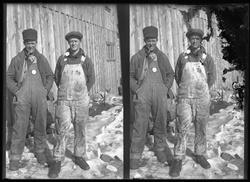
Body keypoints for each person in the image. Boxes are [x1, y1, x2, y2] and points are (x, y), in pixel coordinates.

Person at [169, 28, 216, 177]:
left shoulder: (207, 57)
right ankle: (178, 158)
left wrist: (202, 89)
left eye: (197, 38)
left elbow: (212, 76)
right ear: (189, 40)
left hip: (202, 97)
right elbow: (177, 75)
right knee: (182, 127)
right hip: (184, 98)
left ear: (201, 40)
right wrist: (186, 89)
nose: (194, 41)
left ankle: (200, 154)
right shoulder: (183, 57)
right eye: (192, 39)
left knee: (200, 127)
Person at [48, 31, 95, 178]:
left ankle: (79, 156)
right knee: (61, 129)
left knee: (80, 129)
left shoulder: (85, 60)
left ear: (79, 42)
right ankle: (57, 160)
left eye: (76, 41)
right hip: (64, 101)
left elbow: (91, 79)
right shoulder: (62, 59)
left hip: (81, 100)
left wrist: (81, 92)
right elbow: (57, 77)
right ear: (69, 43)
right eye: (71, 42)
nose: (73, 44)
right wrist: (65, 92)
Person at [6, 28, 54, 171]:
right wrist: (17, 91)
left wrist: (45, 90)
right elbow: (8, 77)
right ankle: (15, 157)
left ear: (36, 43)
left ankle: (39, 151)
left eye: (33, 43)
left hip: (39, 97)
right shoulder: (18, 60)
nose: (30, 46)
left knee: (40, 125)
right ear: (24, 43)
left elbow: (50, 76)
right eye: (28, 43)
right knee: (19, 127)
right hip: (23, 98)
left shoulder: (42, 59)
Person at [130, 26, 175, 169]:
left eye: (153, 40)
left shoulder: (161, 56)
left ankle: (160, 150)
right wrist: (137, 89)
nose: (151, 43)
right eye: (149, 40)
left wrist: (165, 88)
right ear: (144, 40)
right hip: (143, 95)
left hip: (159, 95)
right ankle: (136, 155)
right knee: (140, 124)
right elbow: (129, 76)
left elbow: (170, 74)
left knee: (160, 123)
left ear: (157, 40)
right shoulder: (137, 57)